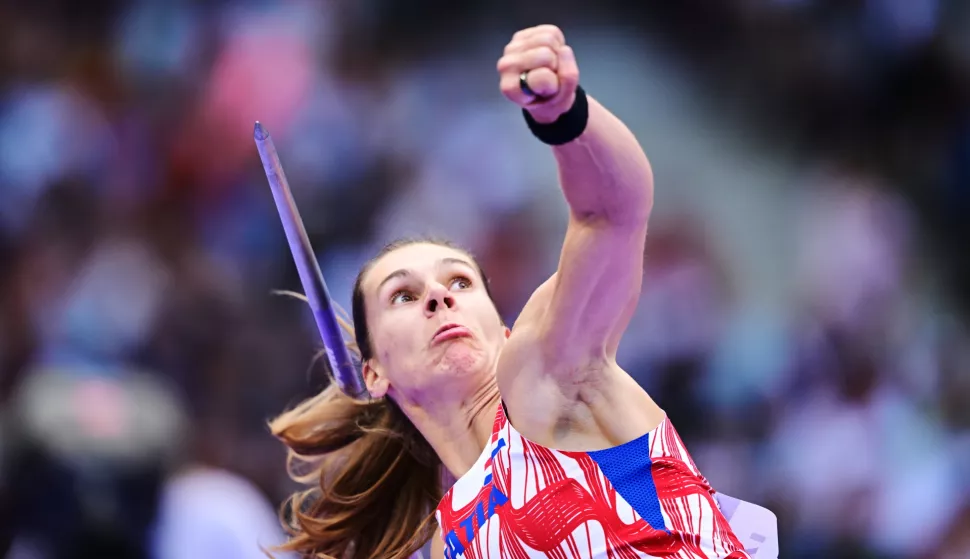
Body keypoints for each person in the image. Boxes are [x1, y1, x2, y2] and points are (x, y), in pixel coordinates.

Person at [270, 25, 752, 559]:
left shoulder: (547, 377)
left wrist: (566, 116)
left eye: (460, 281)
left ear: (502, 329)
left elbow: (612, 213)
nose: (439, 297)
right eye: (403, 296)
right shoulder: (450, 536)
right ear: (374, 372)